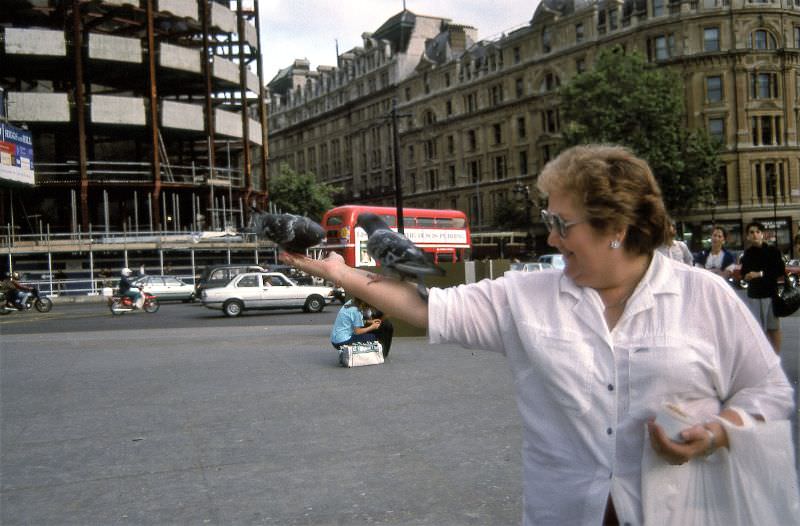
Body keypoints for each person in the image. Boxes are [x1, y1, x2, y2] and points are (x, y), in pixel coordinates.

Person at [279, 144, 794, 525]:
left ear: (614, 226)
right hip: (563, 513)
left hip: (686, 512)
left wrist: (719, 430)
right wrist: (338, 273)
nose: (549, 236)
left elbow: (768, 391)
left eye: (560, 223)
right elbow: (428, 308)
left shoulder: (705, 296)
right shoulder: (526, 295)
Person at [740, 221, 785, 353]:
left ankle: (776, 357)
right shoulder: (747, 254)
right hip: (753, 295)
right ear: (747, 236)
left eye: (757, 232)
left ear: (762, 234)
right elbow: (743, 272)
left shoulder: (772, 251)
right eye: (751, 232)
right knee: (758, 330)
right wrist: (746, 276)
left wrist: (759, 274)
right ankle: (765, 358)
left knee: (773, 328)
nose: (754, 235)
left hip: (770, 294)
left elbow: (780, 270)